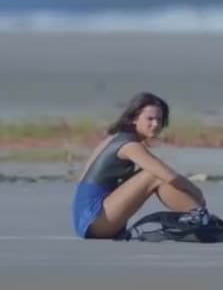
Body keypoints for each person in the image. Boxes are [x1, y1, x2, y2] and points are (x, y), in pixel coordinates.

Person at [71, 91, 209, 239]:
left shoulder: (115, 138)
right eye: (150, 119)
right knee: (154, 175)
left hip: (88, 218)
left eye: (159, 120)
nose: (155, 124)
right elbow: (170, 177)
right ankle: (199, 217)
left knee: (151, 174)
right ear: (134, 118)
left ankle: (197, 216)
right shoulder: (129, 146)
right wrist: (197, 193)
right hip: (94, 220)